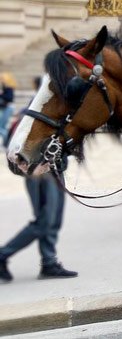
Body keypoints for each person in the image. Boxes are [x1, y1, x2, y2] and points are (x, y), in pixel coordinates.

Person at [0, 77, 78, 282]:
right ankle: (3, 254)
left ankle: (49, 263)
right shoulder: (34, 113)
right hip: (39, 175)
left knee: (54, 221)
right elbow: (13, 144)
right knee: (44, 221)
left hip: (55, 171)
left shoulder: (58, 112)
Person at [0, 72, 14, 145]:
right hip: (5, 108)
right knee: (2, 127)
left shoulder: (8, 87)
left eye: (2, 78)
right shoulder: (5, 87)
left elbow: (9, 98)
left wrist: (1, 95)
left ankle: (6, 143)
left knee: (2, 127)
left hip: (8, 108)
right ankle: (6, 143)